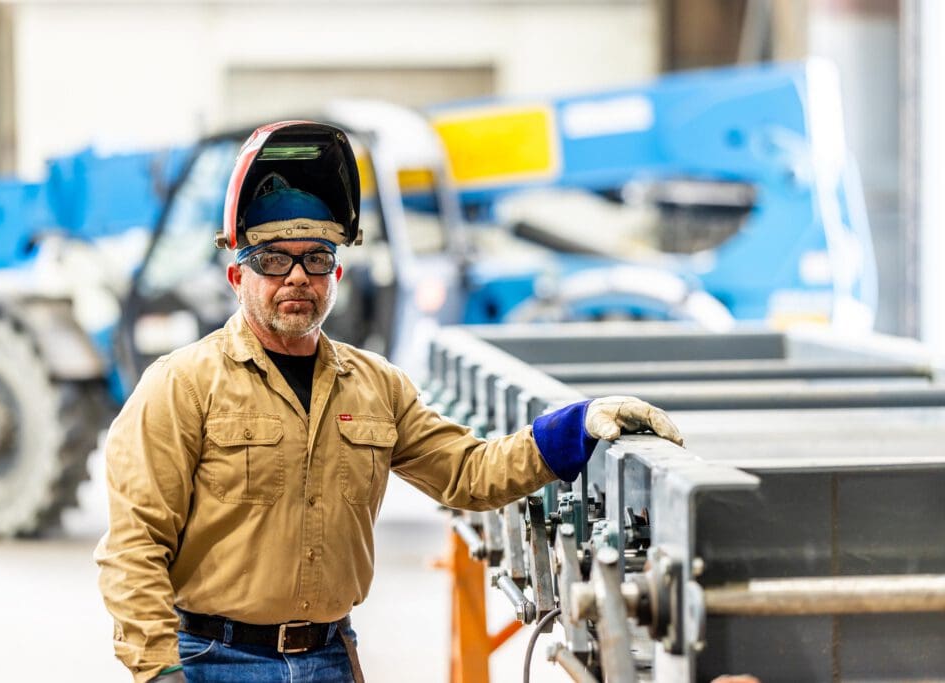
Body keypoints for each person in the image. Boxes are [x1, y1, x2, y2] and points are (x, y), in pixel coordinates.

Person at [94, 121, 684, 683]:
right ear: (236, 276)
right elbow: (134, 544)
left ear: (336, 275)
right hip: (215, 662)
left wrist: (578, 426)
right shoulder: (182, 385)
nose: (297, 276)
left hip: (329, 658)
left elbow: (468, 474)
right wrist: (159, 670)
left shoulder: (376, 386)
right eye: (274, 260)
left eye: (316, 259)